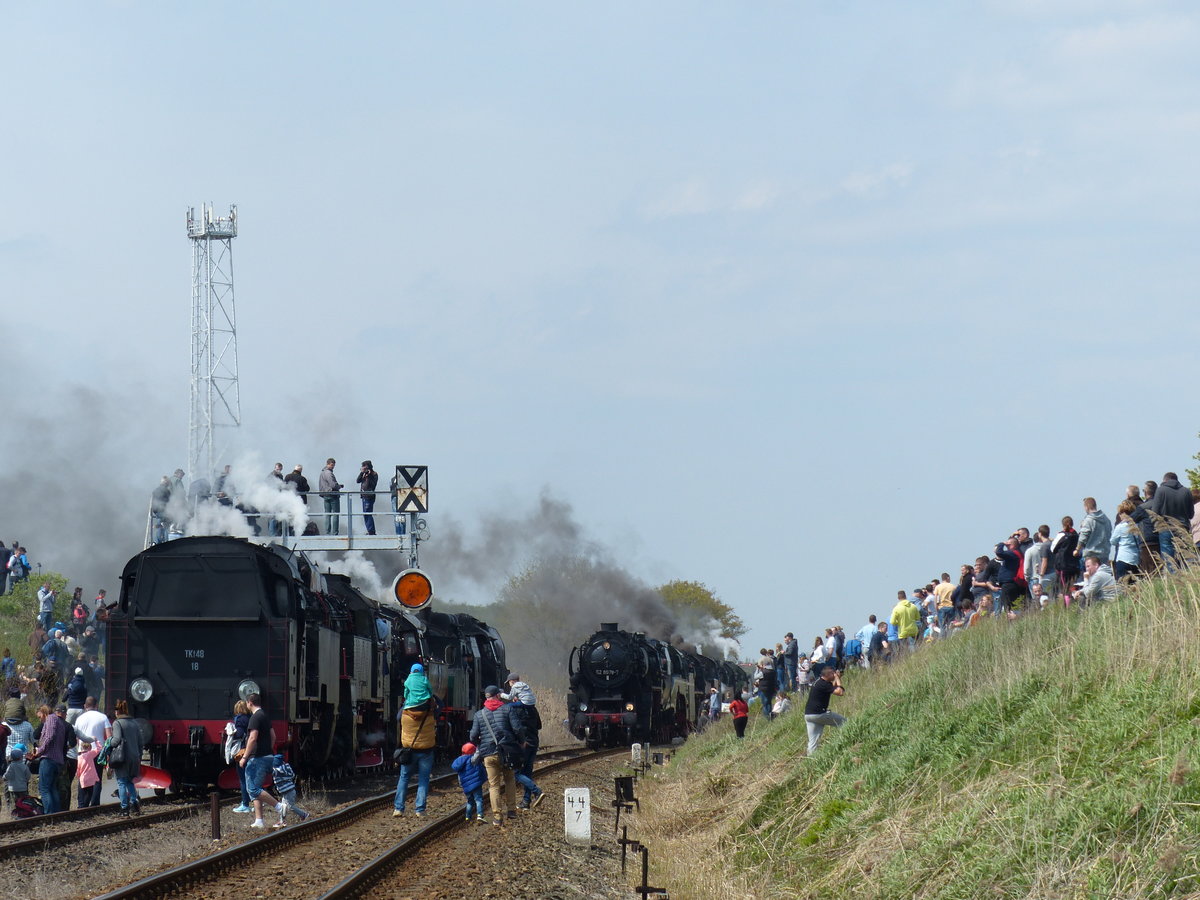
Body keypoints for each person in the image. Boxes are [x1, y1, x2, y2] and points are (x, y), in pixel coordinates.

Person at [468, 684, 528, 825]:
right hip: (507, 752)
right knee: (509, 779)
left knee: (493, 785)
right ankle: (511, 811)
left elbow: (473, 736)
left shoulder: (479, 714)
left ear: (486, 697)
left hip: (489, 753)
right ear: (498, 696)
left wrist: (480, 745)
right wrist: (522, 742)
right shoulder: (507, 709)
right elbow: (517, 728)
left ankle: (497, 817)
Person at [238, 693, 287, 829]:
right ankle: (259, 820)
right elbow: (273, 736)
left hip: (256, 758)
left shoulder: (255, 718)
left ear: (249, 703)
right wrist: (268, 750)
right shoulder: (264, 716)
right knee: (257, 789)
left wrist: (244, 757)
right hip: (266, 756)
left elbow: (252, 738)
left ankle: (279, 806)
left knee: (252, 790)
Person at [393, 691, 438, 818]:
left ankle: (398, 808)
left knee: (404, 778)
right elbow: (441, 705)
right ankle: (420, 809)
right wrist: (432, 695)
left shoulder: (404, 713)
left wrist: (406, 702)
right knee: (423, 780)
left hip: (409, 750)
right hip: (426, 751)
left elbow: (397, 718)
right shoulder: (431, 713)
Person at [1147, 472, 1195, 562]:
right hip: (1182, 528)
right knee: (1184, 558)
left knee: (1170, 560)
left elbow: (1154, 513)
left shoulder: (1161, 490)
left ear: (1165, 480)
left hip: (1165, 528)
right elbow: (1191, 514)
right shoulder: (1187, 491)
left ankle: (1174, 575)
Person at [110, 699, 144, 817]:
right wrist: (139, 756)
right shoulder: (134, 723)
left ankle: (124, 808)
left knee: (121, 782)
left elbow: (116, 740)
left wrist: (108, 743)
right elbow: (141, 742)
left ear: (117, 711)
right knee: (130, 781)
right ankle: (134, 804)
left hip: (122, 758)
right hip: (135, 757)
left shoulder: (117, 723)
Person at [31, 703, 66, 813]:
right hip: (57, 759)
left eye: (40, 716)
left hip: (48, 759)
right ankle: (56, 813)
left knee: (44, 789)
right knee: (52, 788)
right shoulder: (60, 722)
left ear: (44, 712)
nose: (40, 719)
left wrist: (39, 751)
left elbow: (49, 737)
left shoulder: (51, 719)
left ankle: (49, 814)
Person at [804, 667, 846, 755]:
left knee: (813, 741)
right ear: (827, 675)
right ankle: (848, 741)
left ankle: (811, 760)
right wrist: (838, 679)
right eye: (832, 673)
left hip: (809, 715)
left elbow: (832, 689)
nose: (834, 675)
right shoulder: (824, 684)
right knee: (845, 723)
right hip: (819, 714)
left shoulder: (820, 682)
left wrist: (838, 678)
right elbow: (840, 692)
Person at [225, 700, 252, 812]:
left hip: (241, 751)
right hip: (249, 749)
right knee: (250, 777)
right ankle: (252, 802)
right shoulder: (249, 718)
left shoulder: (240, 719)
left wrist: (231, 732)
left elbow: (240, 734)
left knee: (243, 778)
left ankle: (245, 804)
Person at [451, 742, 487, 823]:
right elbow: (478, 754)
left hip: (466, 786)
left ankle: (467, 817)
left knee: (470, 801)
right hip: (475, 784)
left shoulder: (459, 761)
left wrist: (461, 785)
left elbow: (459, 776)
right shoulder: (471, 760)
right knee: (478, 800)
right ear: (472, 752)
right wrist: (479, 744)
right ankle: (480, 815)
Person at [270, 754, 309, 827]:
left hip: (287, 791)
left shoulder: (276, 771)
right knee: (283, 807)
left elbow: (270, 772)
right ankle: (282, 821)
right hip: (290, 790)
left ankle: (304, 814)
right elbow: (292, 775)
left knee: (289, 806)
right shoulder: (287, 767)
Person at [1075, 498, 1113, 564]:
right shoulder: (1106, 519)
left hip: (1091, 556)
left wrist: (1077, 550)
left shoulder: (1088, 520)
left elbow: (1083, 537)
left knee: (1093, 574)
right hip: (1104, 555)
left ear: (1086, 507)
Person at [318, 458, 343, 535]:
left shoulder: (322, 473)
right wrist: (339, 486)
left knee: (327, 514)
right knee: (336, 514)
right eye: (332, 465)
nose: (333, 467)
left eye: (334, 465)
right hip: (332, 495)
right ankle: (335, 532)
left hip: (325, 495)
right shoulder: (329, 473)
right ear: (327, 464)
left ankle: (327, 532)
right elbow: (333, 485)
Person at [76, 738, 101, 808]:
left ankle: (81, 806)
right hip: (91, 778)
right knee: (89, 794)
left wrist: (78, 776)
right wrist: (96, 740)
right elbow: (99, 749)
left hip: (83, 778)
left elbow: (78, 769)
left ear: (81, 747)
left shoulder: (79, 757)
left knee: (81, 794)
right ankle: (86, 806)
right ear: (90, 747)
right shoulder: (91, 754)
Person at [356, 460, 379, 535]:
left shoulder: (374, 474)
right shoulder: (363, 474)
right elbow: (358, 481)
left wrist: (369, 476)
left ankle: (371, 531)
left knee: (368, 513)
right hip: (363, 496)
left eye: (365, 467)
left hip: (369, 496)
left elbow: (373, 485)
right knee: (365, 514)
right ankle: (369, 530)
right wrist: (362, 473)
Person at [755, 649, 777, 719]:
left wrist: (758, 669)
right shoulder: (773, 672)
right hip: (771, 688)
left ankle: (766, 717)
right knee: (769, 702)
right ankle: (770, 715)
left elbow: (755, 677)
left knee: (764, 703)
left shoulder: (763, 672)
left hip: (763, 689)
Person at [388, 469, 407, 536]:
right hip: (402, 498)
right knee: (402, 516)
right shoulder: (404, 479)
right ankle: (402, 533)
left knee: (396, 516)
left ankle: (398, 533)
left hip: (394, 497)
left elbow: (390, 488)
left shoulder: (392, 480)